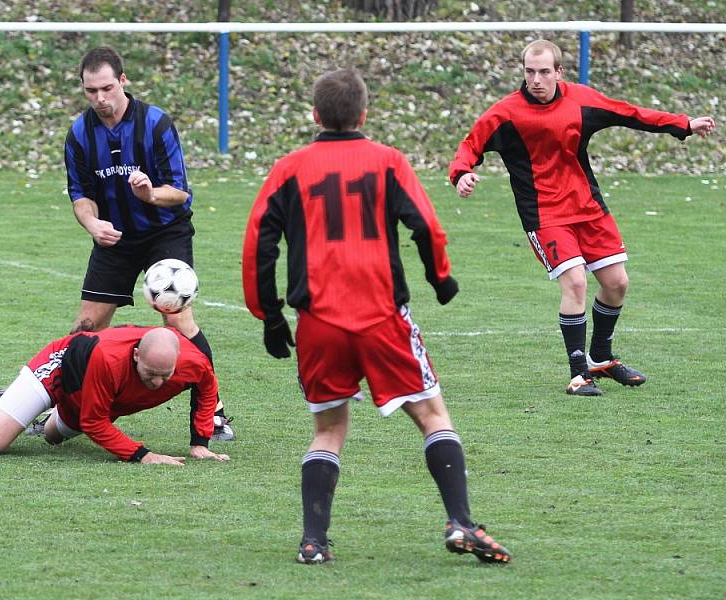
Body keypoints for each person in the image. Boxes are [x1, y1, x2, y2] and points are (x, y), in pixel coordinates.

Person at [242, 69, 511, 565]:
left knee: (328, 430)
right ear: (364, 114)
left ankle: (313, 542)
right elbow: (426, 225)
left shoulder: (289, 167)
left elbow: (259, 239)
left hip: (319, 322)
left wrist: (270, 315)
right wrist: (440, 278)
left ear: (315, 115)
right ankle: (460, 522)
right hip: (382, 316)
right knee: (431, 416)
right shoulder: (387, 160)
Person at [449, 39, 717, 396]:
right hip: (544, 214)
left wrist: (682, 123)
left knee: (617, 283)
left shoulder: (580, 100)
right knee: (575, 282)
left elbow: (630, 113)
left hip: (588, 207)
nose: (536, 79)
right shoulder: (506, 113)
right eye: (530, 72)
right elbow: (469, 146)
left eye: (544, 72)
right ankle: (579, 375)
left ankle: (600, 358)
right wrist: (462, 173)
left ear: (559, 72)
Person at [64, 46, 233, 439]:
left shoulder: (156, 124)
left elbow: (180, 191)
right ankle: (60, 403)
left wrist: (150, 194)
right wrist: (92, 223)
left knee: (176, 319)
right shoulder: (79, 134)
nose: (100, 99)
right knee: (86, 326)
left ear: (123, 81)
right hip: (115, 239)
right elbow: (81, 194)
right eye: (91, 91)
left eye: (107, 88)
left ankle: (214, 414)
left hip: (165, 232)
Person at [0, 326, 230, 464]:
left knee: (52, 436)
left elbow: (207, 392)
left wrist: (199, 443)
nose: (158, 382)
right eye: (150, 373)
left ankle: (20, 407)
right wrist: (142, 455)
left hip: (92, 394)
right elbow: (94, 423)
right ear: (136, 355)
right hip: (61, 369)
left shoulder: (196, 363)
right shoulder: (108, 359)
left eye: (165, 374)